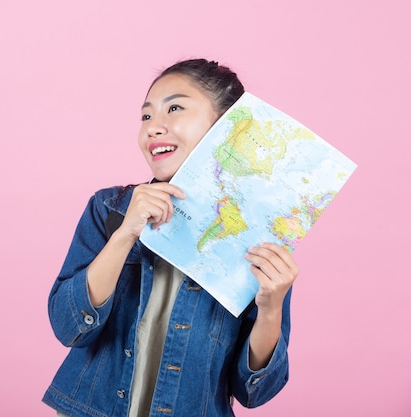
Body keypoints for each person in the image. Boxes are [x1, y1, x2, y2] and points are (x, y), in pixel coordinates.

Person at [42, 59, 299, 417]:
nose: (153, 128)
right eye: (146, 116)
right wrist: (124, 235)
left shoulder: (257, 236)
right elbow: (69, 327)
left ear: (228, 126)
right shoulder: (109, 207)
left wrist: (271, 308)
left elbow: (254, 391)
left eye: (174, 108)